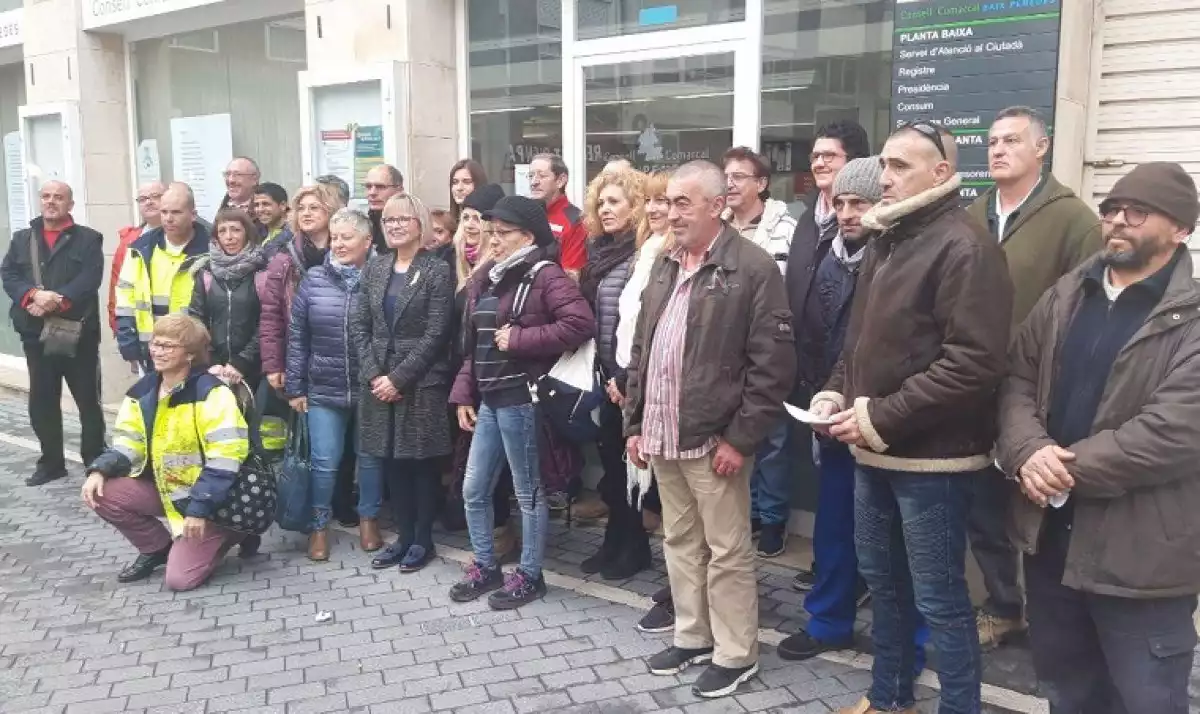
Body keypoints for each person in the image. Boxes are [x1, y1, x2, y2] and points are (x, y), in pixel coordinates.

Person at [812, 123, 1013, 714]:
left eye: (899, 166)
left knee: (940, 601)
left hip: (934, 462)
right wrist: (832, 393)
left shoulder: (966, 246)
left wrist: (880, 417)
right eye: (884, 165)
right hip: (873, 451)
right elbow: (860, 347)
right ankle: (889, 699)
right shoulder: (888, 239)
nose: (884, 177)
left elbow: (974, 363)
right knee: (888, 589)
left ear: (942, 174)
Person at [998, 162, 1200, 714]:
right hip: (1050, 542)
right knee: (1067, 691)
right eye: (1111, 209)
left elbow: (1173, 430)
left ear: (1181, 229)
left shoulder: (1191, 318)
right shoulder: (1067, 295)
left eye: (1137, 213)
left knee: (1146, 700)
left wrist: (1059, 470)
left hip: (1140, 561)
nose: (1117, 221)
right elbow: (1017, 378)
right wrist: (1027, 452)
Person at [624, 161, 795, 699]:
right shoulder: (662, 263)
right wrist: (634, 423)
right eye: (667, 201)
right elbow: (641, 351)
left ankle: (735, 652)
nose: (668, 213)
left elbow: (773, 367)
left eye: (682, 203)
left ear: (717, 206)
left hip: (713, 439)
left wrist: (740, 438)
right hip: (662, 433)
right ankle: (693, 635)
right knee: (679, 540)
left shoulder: (753, 267)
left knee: (727, 550)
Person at [965, 106, 1105, 650]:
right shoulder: (974, 214)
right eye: (992, 141)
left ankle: (1058, 618)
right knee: (983, 508)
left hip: (1037, 395)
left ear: (1041, 148)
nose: (998, 150)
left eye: (1012, 141)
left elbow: (1088, 311)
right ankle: (1004, 608)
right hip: (974, 388)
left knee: (1039, 508)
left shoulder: (1074, 221)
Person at [447, 195, 594, 610]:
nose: (493, 240)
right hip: (490, 399)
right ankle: (486, 565)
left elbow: (580, 323)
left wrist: (520, 339)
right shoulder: (491, 277)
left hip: (522, 400)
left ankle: (530, 575)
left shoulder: (546, 275)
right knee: (474, 488)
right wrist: (463, 393)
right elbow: (476, 346)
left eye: (502, 232)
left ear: (527, 236)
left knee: (527, 493)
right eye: (491, 232)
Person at [82, 314, 254, 590]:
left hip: (211, 501)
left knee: (179, 580)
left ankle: (234, 530)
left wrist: (199, 509)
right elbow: (129, 444)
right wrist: (100, 469)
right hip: (169, 490)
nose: (158, 351)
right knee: (103, 493)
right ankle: (157, 548)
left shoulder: (213, 394)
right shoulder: (142, 392)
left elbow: (226, 459)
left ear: (190, 355)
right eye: (155, 344)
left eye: (168, 346)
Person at [785, 119, 872, 590]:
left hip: (865, 400)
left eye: (829, 155)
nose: (819, 162)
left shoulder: (880, 248)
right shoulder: (809, 222)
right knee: (833, 494)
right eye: (815, 155)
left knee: (858, 500)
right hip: (819, 380)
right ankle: (833, 577)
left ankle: (852, 580)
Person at [353, 193, 455, 572]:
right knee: (391, 461)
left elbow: (436, 332)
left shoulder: (436, 270)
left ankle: (422, 540)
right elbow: (359, 325)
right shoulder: (376, 267)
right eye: (389, 220)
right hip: (378, 379)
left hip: (420, 381)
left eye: (403, 219)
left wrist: (399, 378)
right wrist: (375, 374)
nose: (395, 226)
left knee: (420, 465)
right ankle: (402, 536)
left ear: (420, 225)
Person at [285, 207, 379, 560]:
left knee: (369, 459)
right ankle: (319, 525)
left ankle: (369, 518)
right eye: (335, 238)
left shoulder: (381, 275)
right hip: (323, 386)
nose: (338, 244)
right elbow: (297, 337)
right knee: (325, 461)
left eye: (347, 238)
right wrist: (295, 387)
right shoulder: (313, 278)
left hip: (370, 387)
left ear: (367, 241)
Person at [0, 180, 106, 486]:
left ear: (70, 204)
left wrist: (55, 301)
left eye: (58, 197)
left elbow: (90, 279)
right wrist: (32, 295)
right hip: (35, 335)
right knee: (43, 400)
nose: (51, 201)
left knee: (88, 400)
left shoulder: (88, 239)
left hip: (78, 335)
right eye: (46, 196)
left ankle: (95, 460)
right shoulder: (22, 239)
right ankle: (51, 462)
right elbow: (9, 274)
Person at [722, 146, 798, 558]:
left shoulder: (785, 229)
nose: (730, 184)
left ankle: (772, 519)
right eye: (726, 176)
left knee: (771, 440)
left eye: (739, 177)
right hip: (724, 353)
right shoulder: (717, 227)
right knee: (735, 435)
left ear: (762, 184)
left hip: (767, 348)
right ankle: (747, 512)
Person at [579, 168, 652, 581]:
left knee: (632, 469)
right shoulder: (600, 250)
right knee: (611, 464)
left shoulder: (643, 252)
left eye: (615, 202)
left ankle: (634, 547)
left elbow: (640, 320)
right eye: (601, 203)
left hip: (629, 379)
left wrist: (626, 376)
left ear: (635, 207)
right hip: (603, 375)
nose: (605, 209)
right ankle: (614, 541)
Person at [442, 183, 520, 563]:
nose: (472, 225)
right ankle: (486, 533)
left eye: (480, 219)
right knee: (473, 460)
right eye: (468, 217)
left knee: (497, 465)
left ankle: (504, 531)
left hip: (494, 374)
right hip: (464, 373)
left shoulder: (498, 268)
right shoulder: (459, 263)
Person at [623, 169, 674, 634]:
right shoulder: (648, 253)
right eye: (654, 202)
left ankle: (681, 594)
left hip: (671, 400)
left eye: (668, 201)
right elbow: (635, 330)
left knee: (678, 510)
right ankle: (677, 586)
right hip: (636, 387)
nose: (658, 210)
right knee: (658, 498)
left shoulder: (675, 255)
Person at [115, 182, 211, 371]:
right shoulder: (140, 249)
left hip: (195, 351)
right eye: (164, 212)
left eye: (176, 212)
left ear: (193, 215)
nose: (168, 218)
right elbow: (125, 298)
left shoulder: (210, 249)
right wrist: (127, 340)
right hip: (152, 350)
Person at [187, 209, 266, 392]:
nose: (229, 237)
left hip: (254, 369)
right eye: (222, 231)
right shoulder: (206, 274)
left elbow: (268, 324)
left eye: (235, 230)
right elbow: (196, 319)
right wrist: (211, 361)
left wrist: (241, 363)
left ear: (247, 233)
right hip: (214, 368)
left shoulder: (263, 273)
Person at [109, 181, 165, 336]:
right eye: (143, 199)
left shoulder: (184, 235)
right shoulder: (129, 241)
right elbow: (117, 285)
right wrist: (119, 329)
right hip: (139, 331)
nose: (149, 202)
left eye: (155, 196)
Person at [528, 153, 587, 278]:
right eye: (531, 176)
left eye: (542, 176)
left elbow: (571, 275)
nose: (534, 182)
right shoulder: (525, 215)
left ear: (561, 180)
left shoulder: (575, 220)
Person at [365, 164, 405, 252]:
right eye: (368, 187)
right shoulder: (365, 224)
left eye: (380, 187)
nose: (372, 192)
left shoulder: (410, 224)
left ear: (399, 189)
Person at [253, 182, 291, 257]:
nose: (260, 210)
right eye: (256, 205)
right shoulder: (255, 233)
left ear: (283, 205)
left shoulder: (294, 236)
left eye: (266, 204)